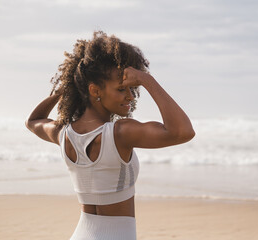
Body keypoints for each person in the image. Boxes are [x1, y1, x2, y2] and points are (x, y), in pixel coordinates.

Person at [25, 31, 195, 240]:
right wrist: (146, 79)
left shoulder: (63, 133)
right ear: (95, 91)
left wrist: (65, 89)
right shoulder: (121, 133)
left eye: (132, 88)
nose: (130, 96)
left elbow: (33, 121)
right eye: (122, 89)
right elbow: (183, 131)